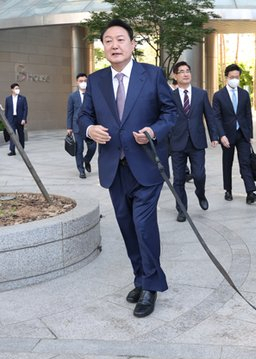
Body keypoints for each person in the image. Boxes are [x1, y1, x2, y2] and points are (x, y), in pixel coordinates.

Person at [79, 19, 177, 318]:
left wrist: (153, 130)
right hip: (113, 167)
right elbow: (84, 115)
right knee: (127, 227)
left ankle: (151, 286)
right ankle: (142, 277)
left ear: (133, 44)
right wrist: (89, 129)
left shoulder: (152, 75)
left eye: (120, 39)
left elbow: (169, 112)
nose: (114, 45)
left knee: (144, 225)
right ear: (103, 47)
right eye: (108, 40)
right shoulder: (95, 81)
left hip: (146, 164)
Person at [169, 61, 226, 221]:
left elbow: (210, 115)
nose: (186, 74)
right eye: (181, 71)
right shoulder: (169, 97)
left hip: (197, 142)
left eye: (188, 71)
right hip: (177, 142)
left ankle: (200, 193)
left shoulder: (201, 94)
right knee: (178, 178)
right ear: (175, 75)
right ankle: (181, 209)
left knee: (199, 175)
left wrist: (214, 136)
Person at [212, 63, 256, 204]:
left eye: (237, 77)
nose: (235, 79)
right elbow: (216, 117)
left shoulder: (244, 94)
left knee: (245, 163)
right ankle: (228, 190)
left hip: (242, 134)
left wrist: (250, 135)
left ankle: (250, 192)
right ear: (226, 78)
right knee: (227, 163)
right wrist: (221, 135)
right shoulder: (218, 96)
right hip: (227, 136)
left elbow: (248, 115)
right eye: (232, 77)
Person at [67, 73, 97, 179]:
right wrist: (69, 127)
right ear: (77, 82)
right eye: (81, 81)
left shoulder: (93, 95)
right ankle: (81, 170)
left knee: (93, 147)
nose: (83, 83)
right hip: (77, 127)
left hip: (90, 127)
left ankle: (86, 160)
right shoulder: (72, 96)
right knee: (79, 149)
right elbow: (70, 112)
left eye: (85, 80)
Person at [4, 83, 28, 156]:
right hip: (11, 119)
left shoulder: (23, 98)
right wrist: (6, 120)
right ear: (12, 89)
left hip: (20, 119)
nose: (18, 90)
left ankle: (21, 150)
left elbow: (25, 109)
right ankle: (12, 150)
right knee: (12, 135)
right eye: (16, 88)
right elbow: (7, 110)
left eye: (18, 88)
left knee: (21, 134)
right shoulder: (8, 99)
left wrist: (24, 119)